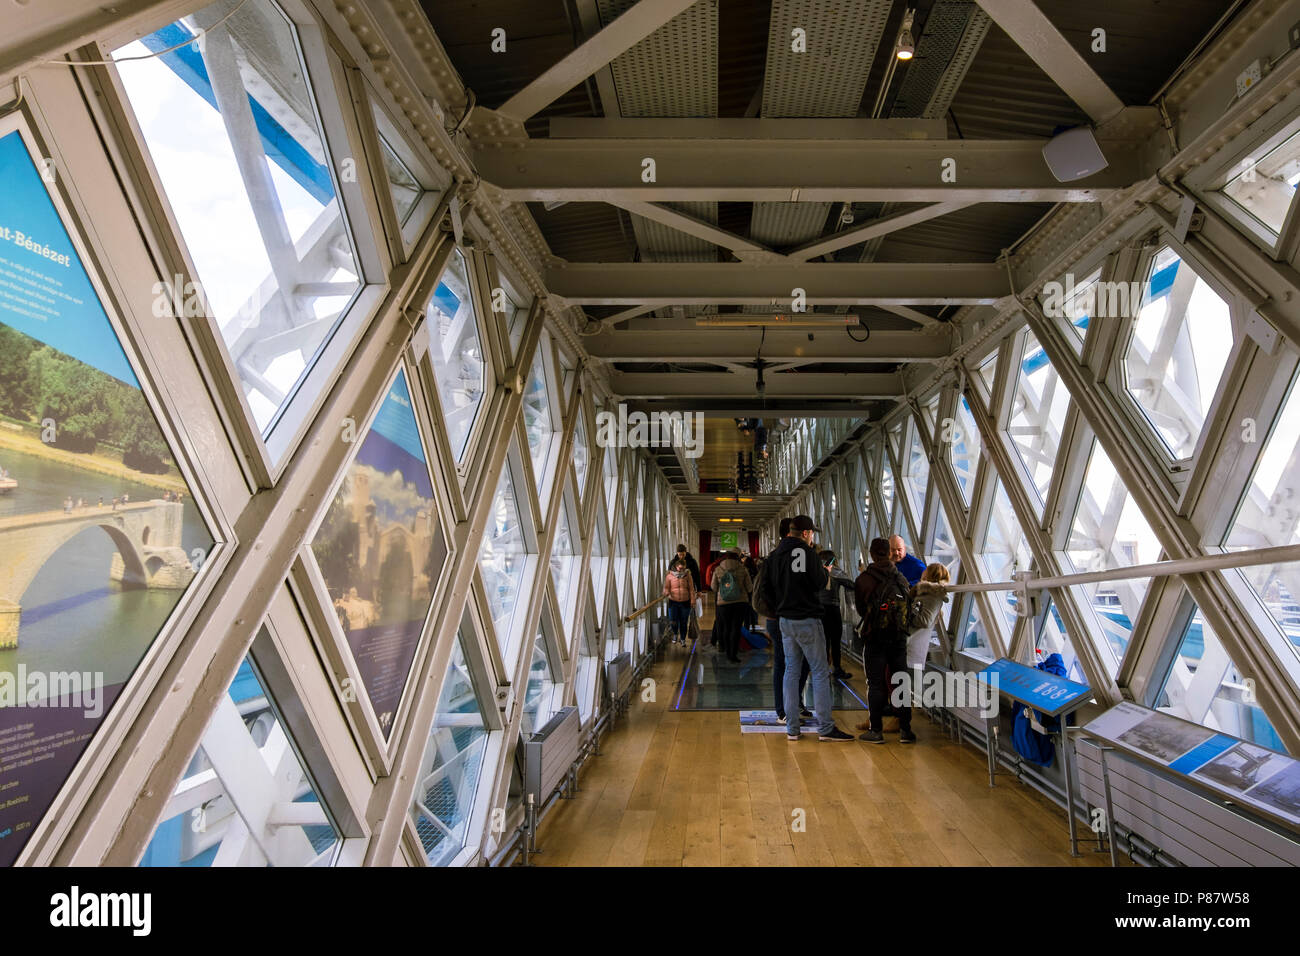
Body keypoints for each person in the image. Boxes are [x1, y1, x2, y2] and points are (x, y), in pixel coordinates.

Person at [767, 515, 854, 742]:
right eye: (812, 532)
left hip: (785, 620)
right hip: (807, 619)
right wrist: (825, 571)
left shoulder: (775, 555)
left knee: (791, 671)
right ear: (805, 533)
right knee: (820, 672)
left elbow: (768, 586)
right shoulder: (807, 553)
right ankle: (825, 728)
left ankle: (792, 728)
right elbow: (818, 583)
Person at [855, 537, 915, 744]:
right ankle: (906, 730)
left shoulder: (864, 579)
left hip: (875, 636)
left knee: (876, 683)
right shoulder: (901, 579)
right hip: (898, 637)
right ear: (889, 553)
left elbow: (861, 609)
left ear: (872, 554)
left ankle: (876, 730)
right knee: (900, 681)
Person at [755, 519, 809, 722]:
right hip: (785, 617)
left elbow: (765, 589)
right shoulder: (789, 557)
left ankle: (788, 707)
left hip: (776, 617)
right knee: (789, 663)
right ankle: (786, 708)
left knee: (789, 663)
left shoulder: (773, 557)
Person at [819, 550, 856, 680]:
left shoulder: (815, 573)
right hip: (833, 610)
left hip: (819, 611)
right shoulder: (837, 573)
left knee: (824, 641)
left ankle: (823, 669)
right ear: (833, 561)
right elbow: (851, 585)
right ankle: (837, 668)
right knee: (835, 641)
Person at [907, 563, 951, 672]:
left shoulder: (932, 596)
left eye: (926, 571)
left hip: (912, 649)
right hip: (910, 647)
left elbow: (925, 621)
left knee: (908, 684)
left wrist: (906, 612)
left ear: (928, 576)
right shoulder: (925, 594)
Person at [711, 549, 752, 662]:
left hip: (723, 603)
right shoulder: (743, 569)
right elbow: (749, 587)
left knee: (726, 627)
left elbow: (713, 587)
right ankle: (732, 654)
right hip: (740, 603)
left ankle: (724, 648)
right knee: (736, 628)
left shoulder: (718, 569)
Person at [662, 558, 696, 646]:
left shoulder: (688, 575)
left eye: (683, 568)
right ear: (676, 567)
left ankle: (683, 639)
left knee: (684, 622)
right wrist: (666, 592)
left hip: (685, 602)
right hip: (673, 602)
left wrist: (692, 600)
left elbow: (692, 589)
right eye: (680, 568)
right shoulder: (669, 576)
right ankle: (675, 634)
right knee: (673, 621)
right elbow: (666, 588)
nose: (682, 570)